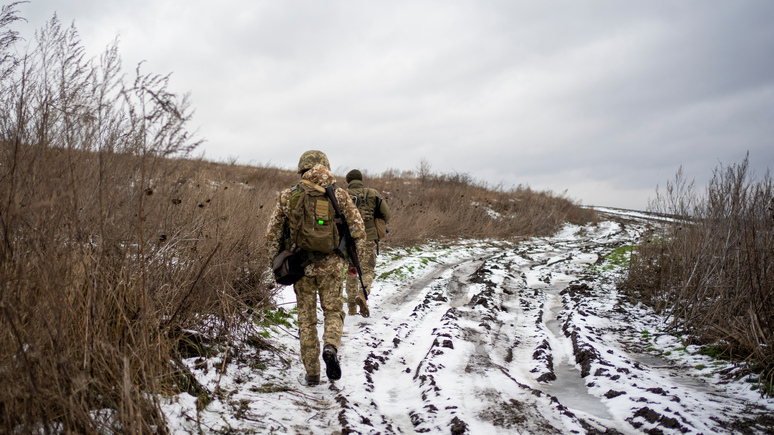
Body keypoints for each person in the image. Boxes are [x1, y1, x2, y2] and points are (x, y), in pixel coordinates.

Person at [265, 150, 367, 385]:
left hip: (301, 267)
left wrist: (276, 265)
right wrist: (354, 263)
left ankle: (312, 372)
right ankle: (330, 346)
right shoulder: (340, 195)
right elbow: (358, 231)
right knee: (333, 311)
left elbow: (271, 235)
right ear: (326, 167)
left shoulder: (287, 196)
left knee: (306, 319)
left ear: (302, 169)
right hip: (332, 267)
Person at [344, 169, 392, 317]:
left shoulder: (342, 194)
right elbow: (387, 214)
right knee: (367, 269)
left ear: (348, 181)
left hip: (348, 238)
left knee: (351, 270)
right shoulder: (372, 193)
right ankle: (362, 294)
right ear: (361, 180)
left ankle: (351, 306)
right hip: (369, 237)